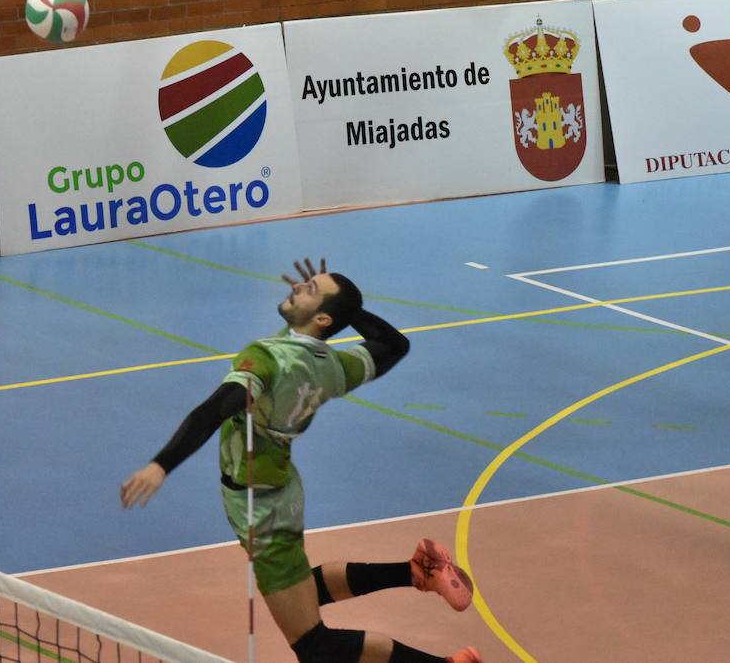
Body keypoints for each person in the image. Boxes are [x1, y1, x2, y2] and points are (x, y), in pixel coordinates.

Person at [122, 258, 481, 663]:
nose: (297, 287)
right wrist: (344, 310)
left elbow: (215, 410)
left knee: (314, 646)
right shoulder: (333, 368)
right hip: (279, 489)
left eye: (309, 289)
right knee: (299, 591)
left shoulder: (267, 358)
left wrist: (161, 465)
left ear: (322, 318)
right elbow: (394, 345)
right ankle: (417, 571)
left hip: (261, 509)